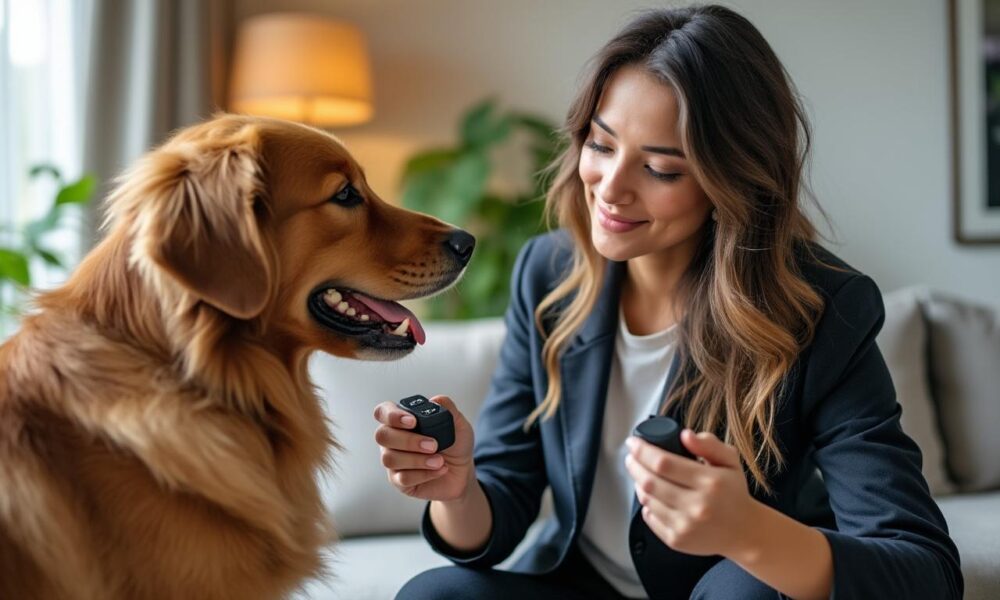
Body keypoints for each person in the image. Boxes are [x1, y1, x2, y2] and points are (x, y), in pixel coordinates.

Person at [373, 5, 963, 599]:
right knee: (434, 594)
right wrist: (456, 487)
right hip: (583, 586)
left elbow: (925, 570)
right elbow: (502, 505)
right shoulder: (547, 273)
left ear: (733, 179)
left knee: (746, 590)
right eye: (601, 145)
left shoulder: (824, 307)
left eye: (659, 169)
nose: (611, 187)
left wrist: (748, 532)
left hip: (726, 591)